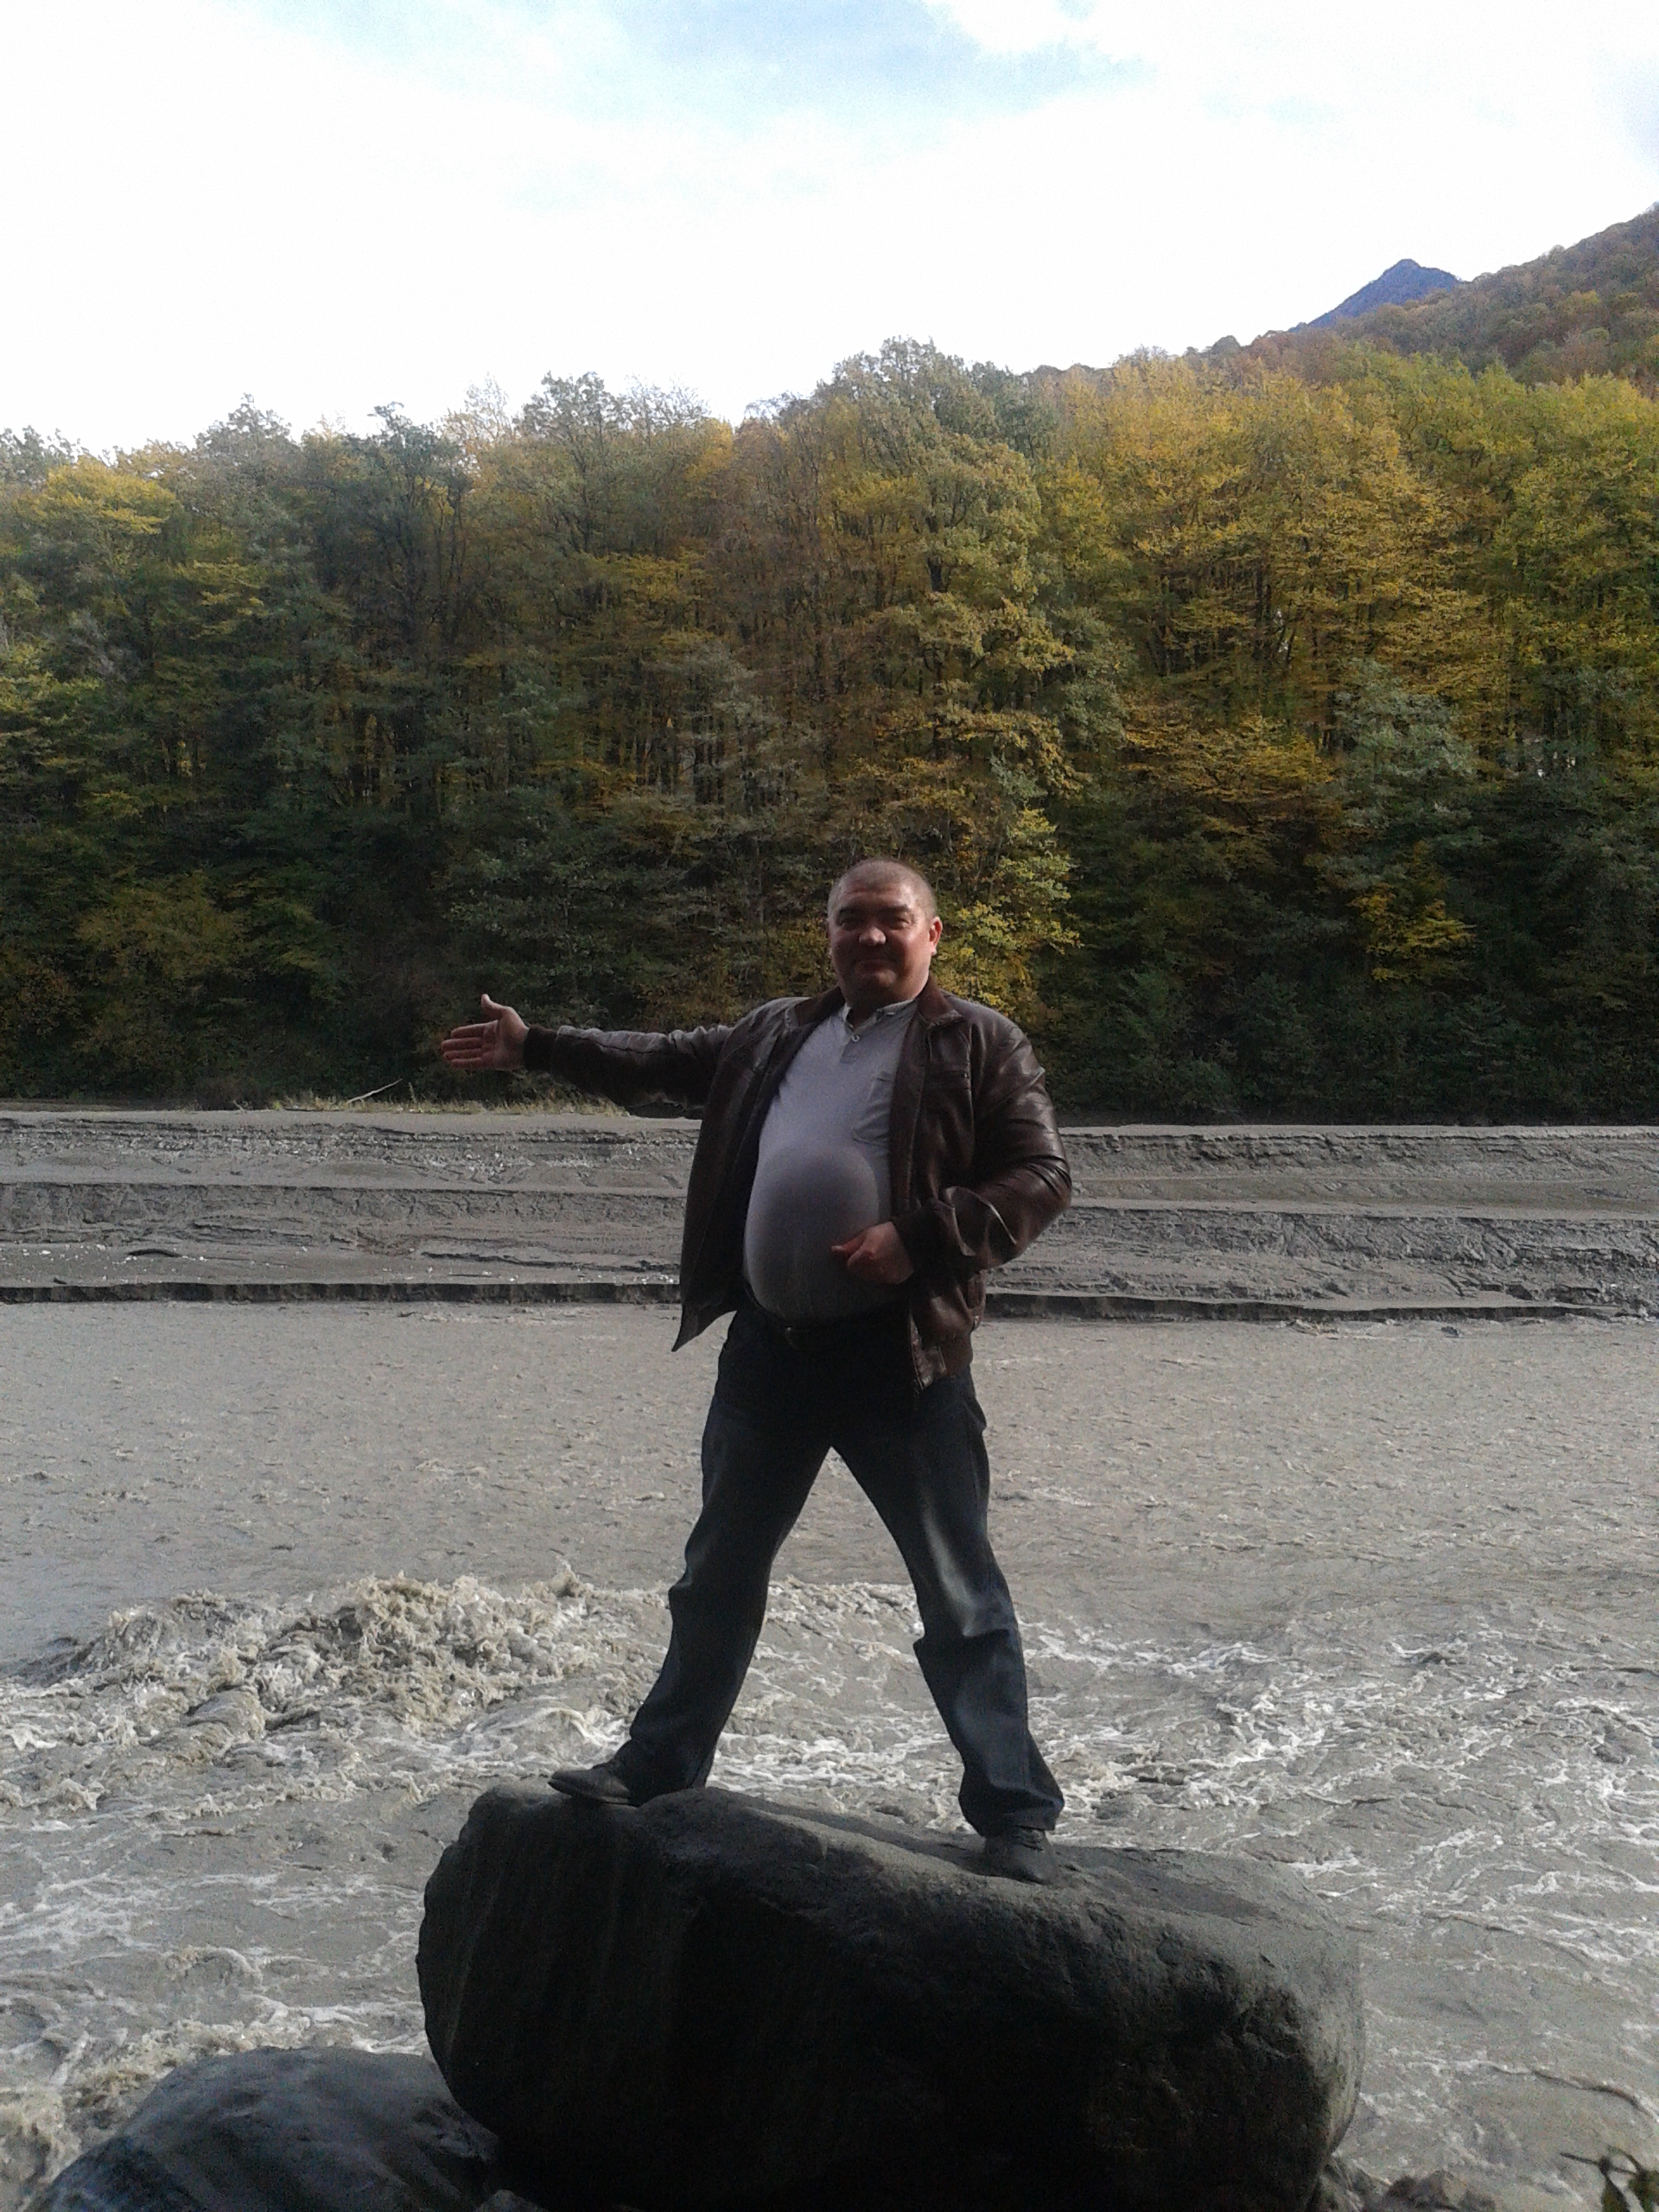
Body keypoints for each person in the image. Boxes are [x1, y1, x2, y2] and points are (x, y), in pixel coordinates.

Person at [439, 859, 1071, 1879]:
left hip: (902, 1362)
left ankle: (1014, 1813)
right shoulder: (777, 1032)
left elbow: (1041, 1175)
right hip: (769, 1356)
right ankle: (660, 1762)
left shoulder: (980, 1042)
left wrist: (919, 1237)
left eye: (892, 919)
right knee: (716, 1576)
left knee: (960, 1594)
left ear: (933, 934)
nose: (870, 936)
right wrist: (539, 1045)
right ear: (828, 933)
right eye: (851, 920)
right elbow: (658, 1059)